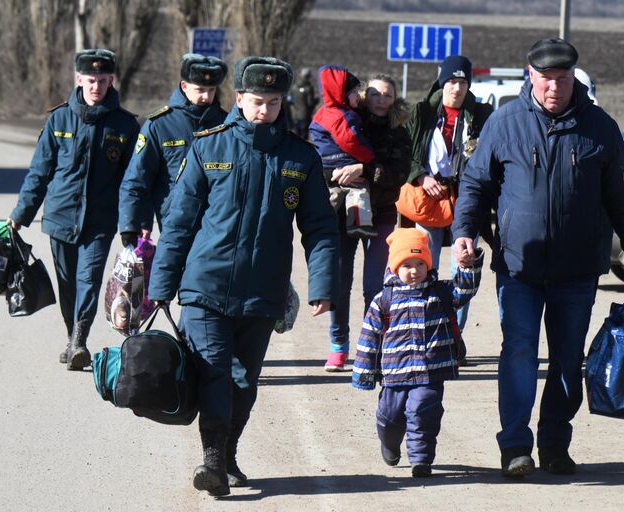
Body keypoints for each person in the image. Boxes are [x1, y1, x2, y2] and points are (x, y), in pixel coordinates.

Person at [452, 38, 624, 478]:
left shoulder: (599, 127)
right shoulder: (504, 123)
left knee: (567, 359)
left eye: (562, 79)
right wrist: (463, 230)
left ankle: (555, 444)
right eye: (546, 79)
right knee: (519, 351)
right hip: (519, 266)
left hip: (577, 270)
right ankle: (516, 446)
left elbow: (623, 198)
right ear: (530, 73)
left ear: (573, 77)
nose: (554, 88)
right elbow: (474, 186)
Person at [148, 56, 339, 497]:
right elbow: (178, 223)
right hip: (205, 287)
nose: (264, 111)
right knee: (215, 372)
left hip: (262, 292)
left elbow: (320, 229)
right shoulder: (208, 147)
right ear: (238, 99)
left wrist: (323, 286)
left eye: (273, 103)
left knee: (244, 382)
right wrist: (161, 285)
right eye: (256, 102)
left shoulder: (300, 158)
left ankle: (228, 451)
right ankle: (212, 460)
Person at [7, 48, 139, 370]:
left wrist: (131, 224)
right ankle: (72, 336)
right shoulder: (59, 119)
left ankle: (79, 340)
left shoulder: (124, 125)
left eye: (103, 80)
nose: (96, 86)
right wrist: (20, 215)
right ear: (80, 79)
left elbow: (133, 181)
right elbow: (39, 172)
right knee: (67, 284)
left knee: (89, 280)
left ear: (111, 81)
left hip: (100, 221)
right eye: (91, 80)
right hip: (61, 217)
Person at [352, 228, 483, 477]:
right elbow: (368, 339)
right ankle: (390, 442)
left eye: (420, 263)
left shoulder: (440, 293)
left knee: (424, 412)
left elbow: (465, 290)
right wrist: (364, 374)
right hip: (394, 374)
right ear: (394, 268)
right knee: (389, 417)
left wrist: (468, 265)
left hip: (430, 372)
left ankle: (421, 460)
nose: (414, 270)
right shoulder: (383, 300)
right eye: (407, 264)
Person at [322, 73, 411, 372]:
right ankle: (338, 345)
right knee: (340, 281)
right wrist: (339, 172)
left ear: (395, 98)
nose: (381, 100)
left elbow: (399, 174)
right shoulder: (347, 121)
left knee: (374, 285)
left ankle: (369, 346)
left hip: (382, 213)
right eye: (375, 94)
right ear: (364, 96)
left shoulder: (400, 131)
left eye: (387, 95)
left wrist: (364, 168)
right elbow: (325, 154)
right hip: (344, 213)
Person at [406, 55, 493, 351]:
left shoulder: (482, 114)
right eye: (452, 81)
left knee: (464, 268)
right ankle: (424, 332)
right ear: (442, 82)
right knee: (423, 266)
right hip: (428, 198)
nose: (457, 88)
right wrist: (419, 176)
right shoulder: (421, 112)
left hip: (468, 199)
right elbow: (406, 151)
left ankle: (453, 336)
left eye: (463, 82)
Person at [118, 53, 228, 246]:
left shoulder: (226, 124)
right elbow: (137, 179)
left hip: (218, 221)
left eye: (211, 90)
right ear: (184, 86)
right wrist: (131, 225)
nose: (206, 96)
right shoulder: (160, 125)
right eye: (200, 89)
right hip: (174, 221)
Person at [310, 65, 378, 239]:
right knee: (358, 189)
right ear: (343, 94)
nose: (358, 96)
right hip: (343, 161)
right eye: (355, 92)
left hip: (325, 164)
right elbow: (351, 142)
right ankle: (359, 223)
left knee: (333, 194)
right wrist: (368, 156)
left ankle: (321, 222)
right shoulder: (344, 116)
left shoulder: (321, 113)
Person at [290, 67, 317, 139]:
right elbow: (310, 103)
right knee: (304, 138)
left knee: (296, 137)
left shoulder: (294, 87)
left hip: (295, 115)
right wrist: (316, 101)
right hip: (305, 116)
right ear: (308, 77)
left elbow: (291, 101)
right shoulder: (309, 88)